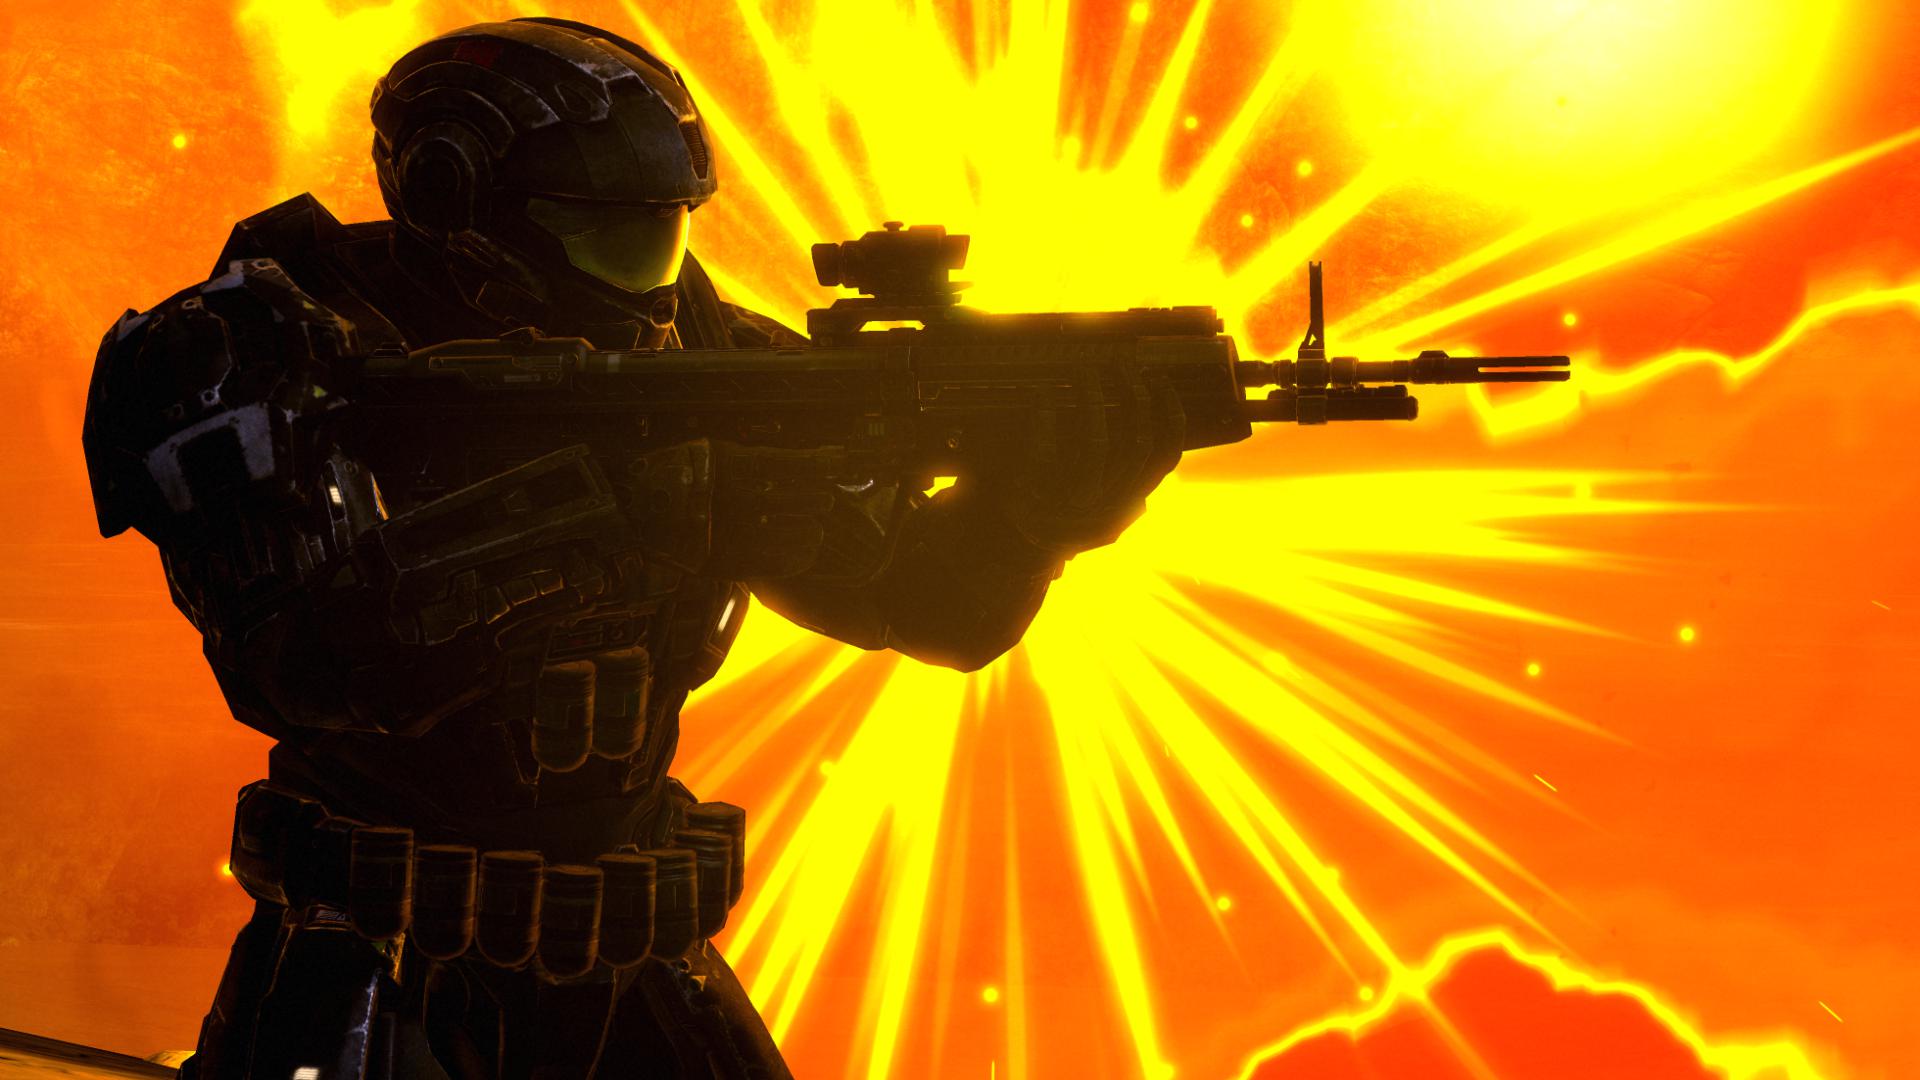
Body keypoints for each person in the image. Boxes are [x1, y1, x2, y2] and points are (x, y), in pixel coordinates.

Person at [82, 18, 1181, 1079]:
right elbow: (302, 668)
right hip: (373, 952)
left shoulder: (701, 356)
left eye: (664, 231)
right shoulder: (264, 350)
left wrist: (1035, 517)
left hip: (632, 958)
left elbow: (929, 605)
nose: (643, 275)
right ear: (457, 205)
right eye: (604, 233)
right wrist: (616, 510)